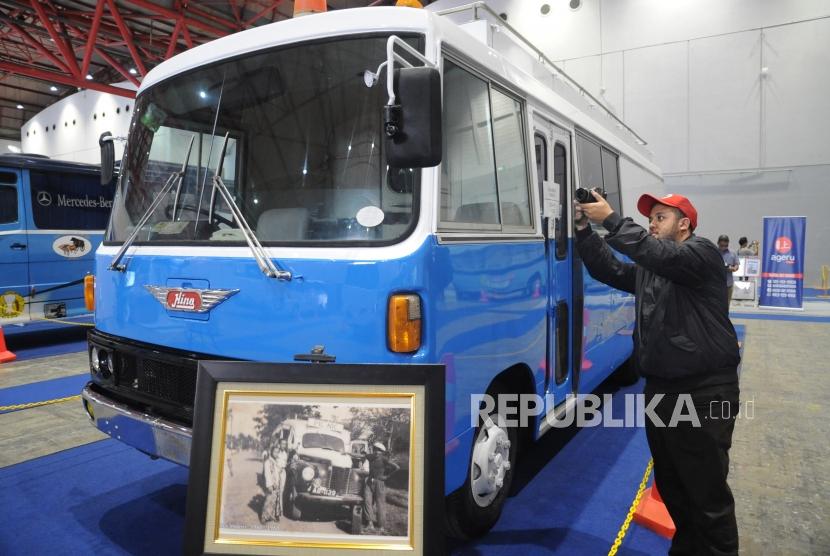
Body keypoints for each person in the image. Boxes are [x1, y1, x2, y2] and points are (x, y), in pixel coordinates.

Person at [575, 190, 741, 556]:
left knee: (706, 497)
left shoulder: (702, 254)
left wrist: (613, 220)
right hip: (662, 391)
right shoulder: (653, 269)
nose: (652, 222)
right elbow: (613, 269)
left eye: (661, 217)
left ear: (684, 225)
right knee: (675, 488)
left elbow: (658, 253)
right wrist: (585, 232)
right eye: (651, 217)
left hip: (705, 392)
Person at [361, 441, 400, 534]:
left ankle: (381, 526)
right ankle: (369, 524)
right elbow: (361, 456)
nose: (376, 452)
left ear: (381, 452)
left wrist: (387, 476)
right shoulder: (371, 457)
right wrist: (346, 453)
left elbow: (397, 467)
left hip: (379, 483)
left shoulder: (384, 459)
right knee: (367, 502)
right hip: (370, 482)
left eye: (378, 451)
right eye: (375, 450)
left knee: (380, 504)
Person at [261, 440, 290, 525]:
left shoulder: (275, 461)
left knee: (275, 500)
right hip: (271, 484)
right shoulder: (268, 462)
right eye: (275, 452)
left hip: (276, 483)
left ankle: (272, 515)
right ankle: (264, 517)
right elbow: (267, 474)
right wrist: (269, 484)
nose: (277, 454)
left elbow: (277, 472)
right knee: (268, 500)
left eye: (277, 452)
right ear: (271, 452)